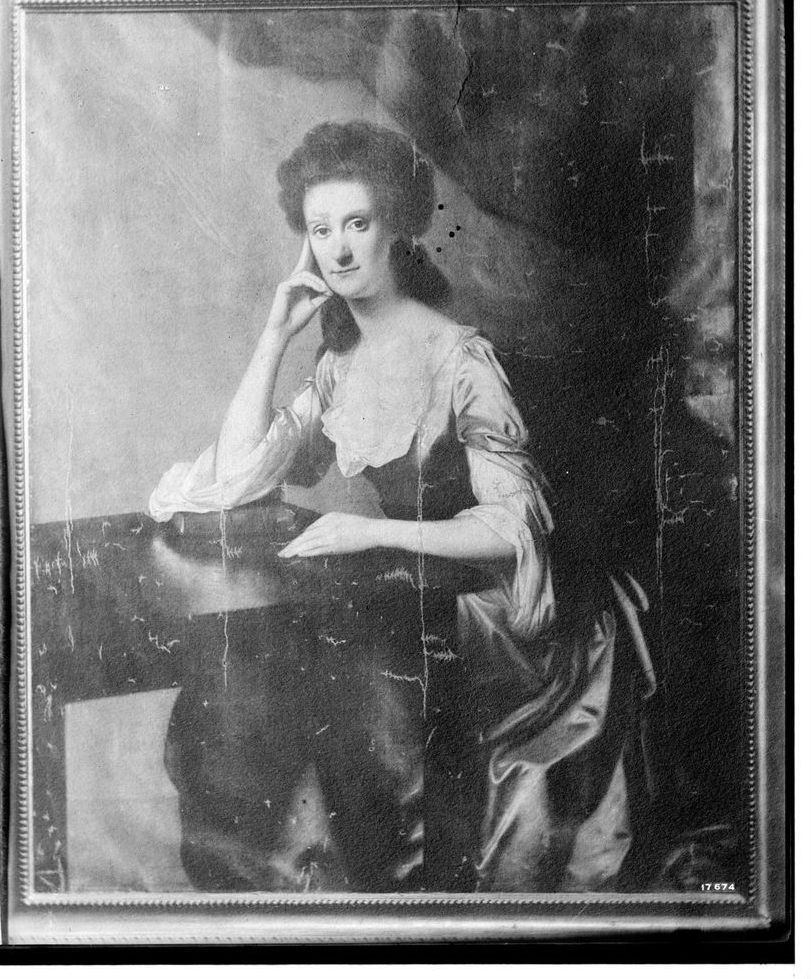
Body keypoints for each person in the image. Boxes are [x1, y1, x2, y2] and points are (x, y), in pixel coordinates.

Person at [149, 120, 644, 893]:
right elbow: (239, 476)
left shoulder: (460, 359)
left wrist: (365, 529)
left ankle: (391, 884)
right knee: (271, 673)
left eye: (358, 223)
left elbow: (515, 527)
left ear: (398, 226)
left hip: (504, 616)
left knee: (355, 675)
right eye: (321, 230)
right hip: (414, 593)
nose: (339, 250)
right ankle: (308, 882)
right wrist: (274, 336)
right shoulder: (339, 362)